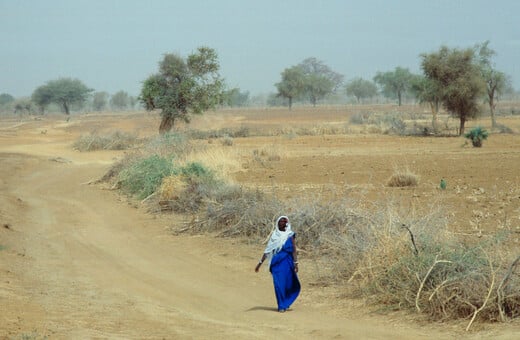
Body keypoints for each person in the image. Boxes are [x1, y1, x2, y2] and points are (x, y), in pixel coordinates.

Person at [255, 215, 301, 312]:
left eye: (285, 221)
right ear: (277, 223)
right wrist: (259, 264)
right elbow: (268, 250)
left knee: (288, 283)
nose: (283, 223)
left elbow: (293, 250)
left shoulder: (290, 235)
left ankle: (286, 302)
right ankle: (281, 305)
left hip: (288, 263)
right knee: (278, 284)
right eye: (281, 221)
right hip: (277, 263)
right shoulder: (274, 236)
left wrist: (296, 263)